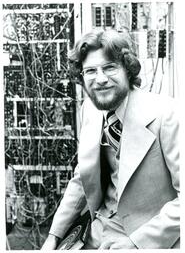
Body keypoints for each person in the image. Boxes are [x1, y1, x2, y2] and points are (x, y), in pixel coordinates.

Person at [41, 29, 180, 249]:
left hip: (150, 236)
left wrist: (136, 243)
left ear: (127, 69)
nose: (101, 79)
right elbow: (82, 177)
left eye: (109, 67)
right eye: (90, 71)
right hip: (100, 229)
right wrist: (54, 235)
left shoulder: (168, 113)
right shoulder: (91, 110)